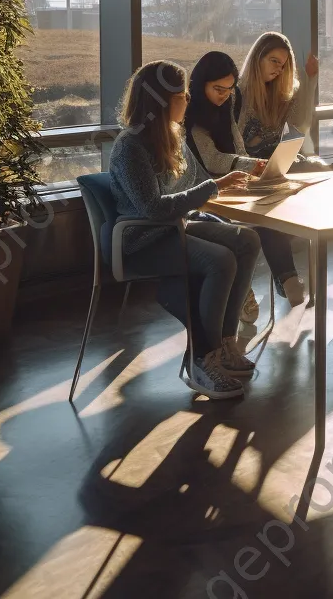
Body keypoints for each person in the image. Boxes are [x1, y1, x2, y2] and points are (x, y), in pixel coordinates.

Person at [109, 61, 261, 400]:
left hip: (171, 228)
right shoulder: (130, 146)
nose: (188, 101)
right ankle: (200, 360)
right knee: (220, 261)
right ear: (161, 100)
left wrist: (220, 186)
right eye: (183, 95)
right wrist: (210, 188)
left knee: (247, 239)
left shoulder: (172, 135)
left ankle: (224, 344)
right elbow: (153, 208)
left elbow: (194, 183)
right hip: (142, 239)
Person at [185, 51, 308, 308]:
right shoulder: (189, 112)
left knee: (267, 215)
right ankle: (242, 291)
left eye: (229, 89)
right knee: (245, 230)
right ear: (200, 84)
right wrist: (250, 164)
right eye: (218, 89)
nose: (224, 95)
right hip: (203, 188)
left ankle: (287, 278)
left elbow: (235, 140)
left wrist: (252, 169)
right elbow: (210, 159)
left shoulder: (228, 101)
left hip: (233, 181)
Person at [237, 31, 319, 161]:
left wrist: (311, 81)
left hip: (279, 166)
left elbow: (301, 125)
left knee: (316, 166)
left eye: (282, 65)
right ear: (257, 57)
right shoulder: (236, 94)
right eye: (274, 61)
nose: (279, 69)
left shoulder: (282, 96)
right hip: (248, 169)